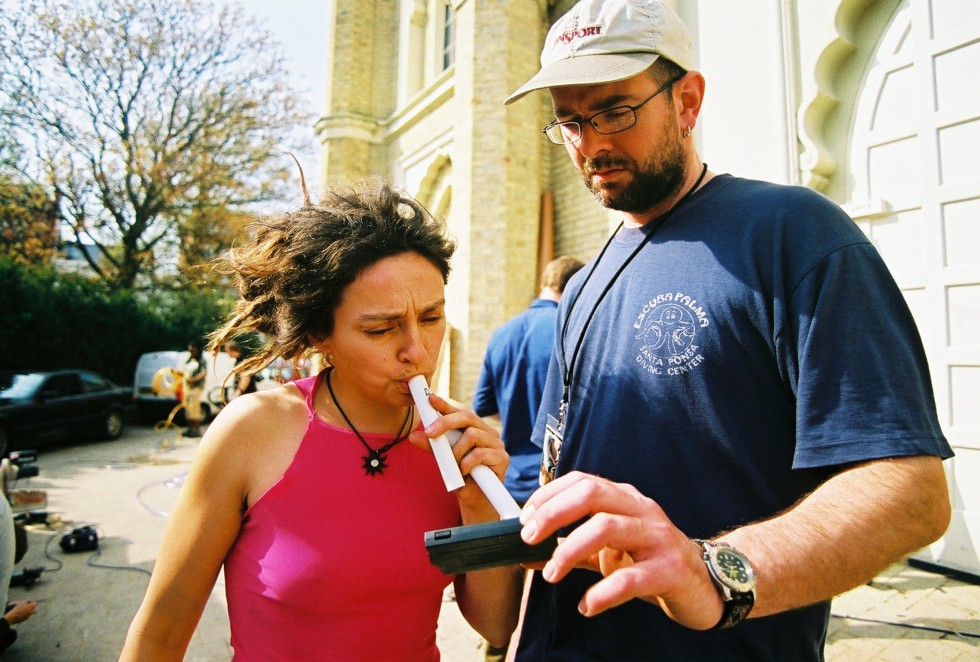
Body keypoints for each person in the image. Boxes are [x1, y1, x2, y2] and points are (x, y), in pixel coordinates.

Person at [503, 1, 954, 660]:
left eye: (614, 112)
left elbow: (908, 492)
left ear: (687, 101)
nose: (590, 143)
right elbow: (557, 476)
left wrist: (714, 572)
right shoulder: (581, 287)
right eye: (569, 121)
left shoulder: (792, 234)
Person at [120, 177, 522, 661]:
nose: (417, 351)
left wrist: (480, 505)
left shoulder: (452, 443)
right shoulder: (252, 431)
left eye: (431, 318)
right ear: (319, 335)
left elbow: (496, 625)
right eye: (381, 329)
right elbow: (160, 633)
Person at [473, 255, 584, 507]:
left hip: (508, 482)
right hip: (555, 486)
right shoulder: (569, 332)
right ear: (575, 288)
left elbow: (484, 406)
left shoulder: (501, 334)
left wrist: (519, 414)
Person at [180, 340, 207, 437]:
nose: (191, 352)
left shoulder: (202, 361)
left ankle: (196, 429)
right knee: (188, 408)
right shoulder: (189, 361)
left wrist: (193, 380)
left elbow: (203, 373)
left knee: (194, 408)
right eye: (190, 350)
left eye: (193, 350)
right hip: (187, 388)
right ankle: (190, 428)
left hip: (196, 387)